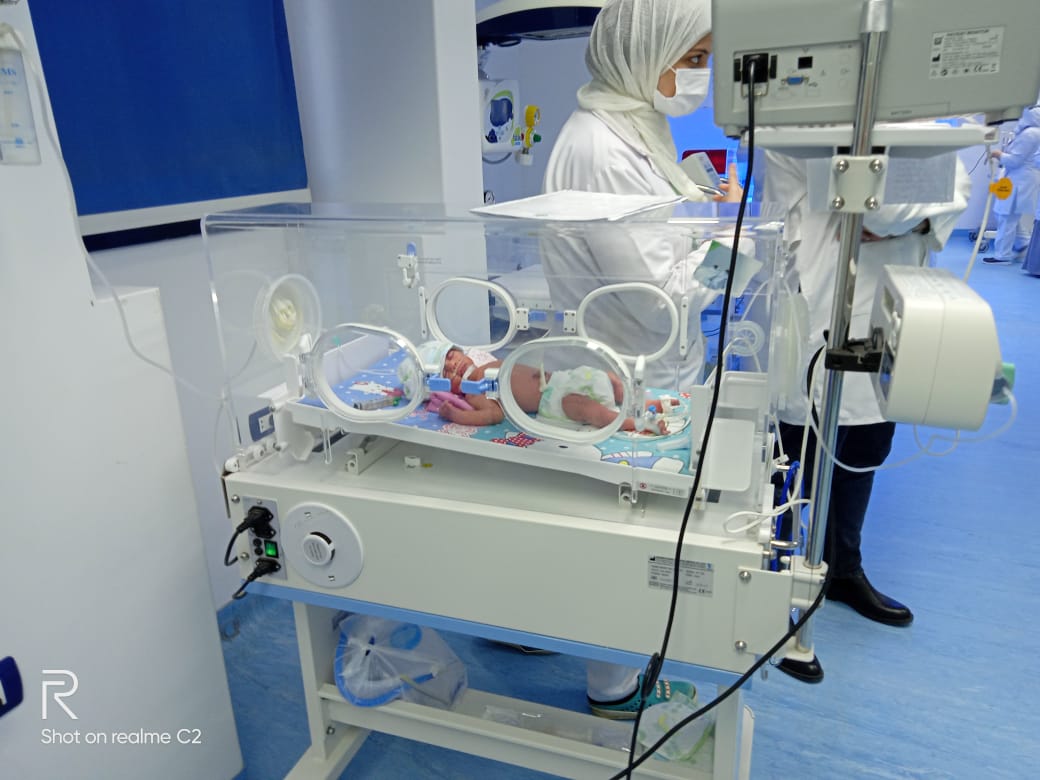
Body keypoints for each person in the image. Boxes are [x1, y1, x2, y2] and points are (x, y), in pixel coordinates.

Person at [537, 0, 738, 719]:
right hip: (629, 370)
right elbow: (656, 298)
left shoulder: (630, 125)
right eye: (693, 59)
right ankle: (614, 689)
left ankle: (567, 641)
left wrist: (705, 216)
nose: (701, 76)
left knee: (611, 528)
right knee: (626, 540)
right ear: (641, 50)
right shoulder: (601, 146)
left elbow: (658, 242)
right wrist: (730, 238)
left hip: (640, 363)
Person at [762, 150, 972, 683]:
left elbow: (953, 186)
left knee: (864, 446)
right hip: (817, 300)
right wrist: (923, 210)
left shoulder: (916, 125)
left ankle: (843, 569)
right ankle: (773, 586)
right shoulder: (814, 122)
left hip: (886, 300)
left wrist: (919, 213)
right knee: (793, 457)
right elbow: (880, 209)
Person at [421, 342, 673, 434]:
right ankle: (633, 423)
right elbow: (493, 415)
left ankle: (643, 404)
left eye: (451, 356)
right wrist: (455, 415)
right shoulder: (473, 392)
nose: (452, 365)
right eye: (446, 371)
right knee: (584, 407)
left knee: (609, 379)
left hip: (562, 377)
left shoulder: (486, 363)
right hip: (551, 400)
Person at [983, 105, 1040, 264]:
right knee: (1007, 214)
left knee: (1006, 216)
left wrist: (998, 154)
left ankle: (1002, 255)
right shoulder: (1029, 132)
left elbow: (1015, 160)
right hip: (1018, 179)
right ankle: (1023, 243)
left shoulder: (1031, 134)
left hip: (1020, 180)